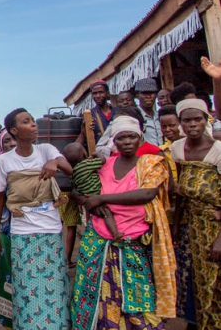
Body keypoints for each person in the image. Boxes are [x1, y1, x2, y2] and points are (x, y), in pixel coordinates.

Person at [70, 114, 175, 330]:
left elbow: (147, 194)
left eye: (131, 137)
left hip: (133, 240)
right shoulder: (104, 164)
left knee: (137, 294)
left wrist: (102, 198)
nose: (126, 142)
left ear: (140, 139)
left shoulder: (151, 164)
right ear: (114, 141)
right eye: (121, 138)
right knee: (97, 294)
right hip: (99, 238)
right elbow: (77, 186)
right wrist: (87, 200)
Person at [0, 108, 72, 330]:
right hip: (22, 232)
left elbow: (69, 168)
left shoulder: (45, 150)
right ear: (14, 130)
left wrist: (54, 163)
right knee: (26, 288)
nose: (34, 124)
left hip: (51, 230)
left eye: (33, 121)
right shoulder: (4, 161)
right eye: (27, 122)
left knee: (55, 287)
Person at [168, 97, 221, 329]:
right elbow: (180, 189)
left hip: (215, 223)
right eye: (187, 120)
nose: (192, 125)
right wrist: (177, 225)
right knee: (196, 280)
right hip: (192, 224)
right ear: (180, 123)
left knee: (216, 280)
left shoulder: (218, 150)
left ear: (206, 119)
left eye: (197, 119)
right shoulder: (177, 148)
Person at [0, 130, 17, 329]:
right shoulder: (1, 164)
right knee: (9, 273)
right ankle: (10, 319)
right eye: (7, 141)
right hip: (8, 230)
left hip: (32, 229)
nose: (11, 143)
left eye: (14, 139)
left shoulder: (36, 162)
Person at [77, 80, 118, 150]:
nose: (98, 96)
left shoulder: (118, 112)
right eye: (94, 93)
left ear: (107, 93)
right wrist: (84, 131)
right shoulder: (89, 115)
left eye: (101, 92)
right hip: (98, 152)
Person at [135, 77, 162, 146]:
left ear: (156, 95)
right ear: (137, 96)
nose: (148, 96)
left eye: (151, 93)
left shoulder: (159, 115)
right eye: (144, 93)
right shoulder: (134, 116)